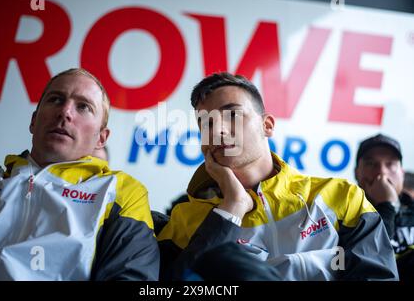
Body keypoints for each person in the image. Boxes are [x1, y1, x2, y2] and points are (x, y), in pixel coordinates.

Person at [158, 72, 398, 280]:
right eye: (206, 124)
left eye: (232, 115)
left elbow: (376, 276)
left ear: (267, 125)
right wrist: (231, 208)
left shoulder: (342, 196)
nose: (218, 130)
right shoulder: (184, 218)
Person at [0, 68, 159, 280]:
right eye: (56, 99)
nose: (65, 112)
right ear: (33, 120)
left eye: (83, 107)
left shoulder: (122, 191)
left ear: (101, 138)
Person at [354, 134, 414, 280]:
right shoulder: (341, 218)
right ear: (357, 173)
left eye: (390, 164)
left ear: (402, 173)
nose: (382, 172)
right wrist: (387, 206)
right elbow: (364, 265)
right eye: (371, 163)